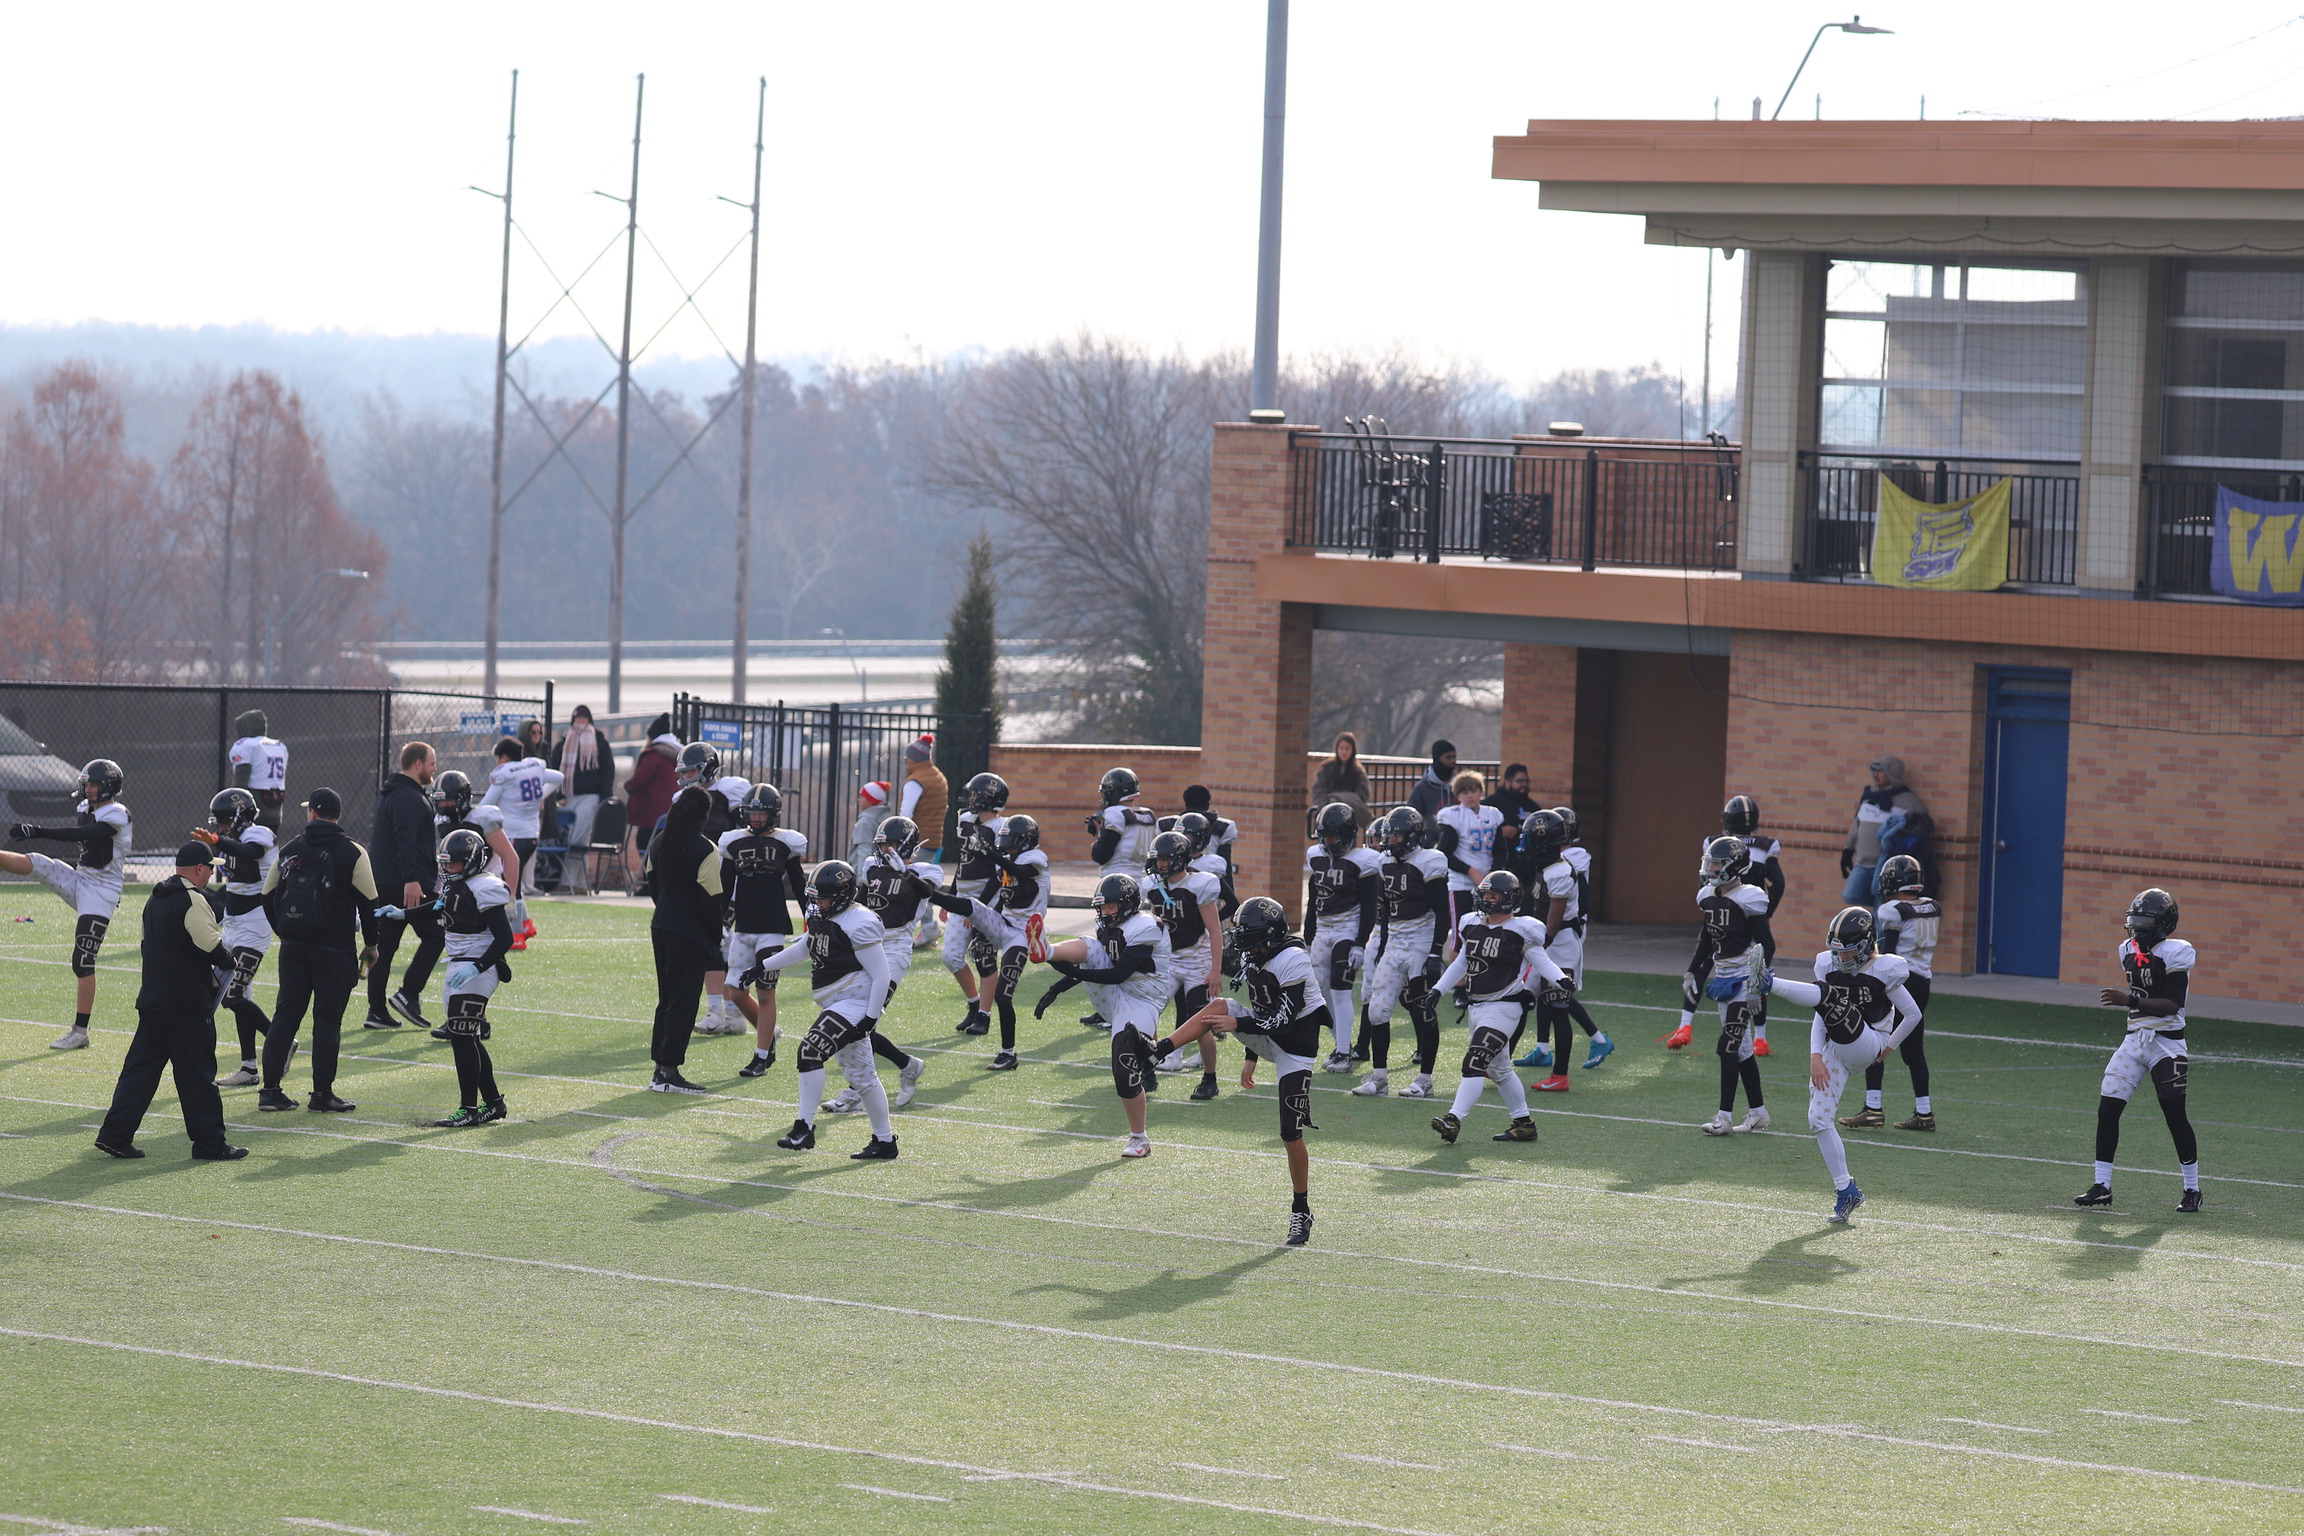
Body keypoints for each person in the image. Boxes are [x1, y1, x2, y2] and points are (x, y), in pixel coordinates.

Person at [1147, 898, 1321, 1245]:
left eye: (1250, 936)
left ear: (1269, 936)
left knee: (1290, 1132)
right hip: (1266, 1034)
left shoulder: (1293, 960)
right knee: (1218, 1005)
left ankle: (1301, 1210)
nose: (1242, 943)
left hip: (1296, 1048)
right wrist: (1251, 1055)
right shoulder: (1255, 955)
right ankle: (1158, 1050)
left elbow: (1282, 1019)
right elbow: (1262, 1006)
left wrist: (1238, 1024)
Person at [1758, 906, 1923, 1224]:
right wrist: (1815, 1055)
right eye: (1837, 951)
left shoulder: (1884, 969)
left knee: (1829, 997)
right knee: (1818, 1118)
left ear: (1863, 947)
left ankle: (1770, 984)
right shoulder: (1827, 965)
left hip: (1868, 1043)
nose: (1840, 958)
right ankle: (1846, 1189)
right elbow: (1822, 1013)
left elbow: (1913, 1014)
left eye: (1847, 952)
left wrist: (1889, 1046)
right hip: (1836, 1047)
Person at [90, 839, 246, 1162]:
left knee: (138, 1073)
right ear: (200, 869)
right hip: (187, 1005)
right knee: (197, 1076)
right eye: (208, 870)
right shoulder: (193, 900)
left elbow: (147, 946)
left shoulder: (154, 900)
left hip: (152, 1001)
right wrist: (230, 961)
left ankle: (115, 1136)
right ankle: (210, 1143)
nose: (209, 877)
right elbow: (211, 946)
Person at [761, 862, 900, 1160]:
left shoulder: (858, 922)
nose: (817, 903)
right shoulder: (823, 915)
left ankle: (804, 1127)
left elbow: (881, 975)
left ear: (841, 895)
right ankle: (885, 1141)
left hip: (854, 1000)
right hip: (838, 1002)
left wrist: (871, 1017)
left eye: (822, 897)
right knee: (862, 1076)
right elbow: (805, 947)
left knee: (810, 1051)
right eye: (815, 897)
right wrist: (761, 966)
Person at [2075, 889, 2202, 1213]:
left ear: (2163, 924)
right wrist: (2131, 1003)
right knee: (2107, 1110)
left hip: (2166, 1043)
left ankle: (2192, 1189)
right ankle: (2102, 1185)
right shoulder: (2126, 949)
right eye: (2136, 920)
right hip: (2134, 1040)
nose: (2138, 927)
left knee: (2174, 1116)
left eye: (2145, 921)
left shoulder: (2177, 951)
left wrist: (2129, 1000)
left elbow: (2172, 1004)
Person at [257, 788, 380, 1114]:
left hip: (294, 946)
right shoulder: (353, 851)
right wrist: (371, 945)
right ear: (337, 814)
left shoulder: (290, 848)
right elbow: (370, 904)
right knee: (327, 1022)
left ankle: (269, 1091)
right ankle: (322, 1094)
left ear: (311, 813)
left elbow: (267, 894)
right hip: (335, 949)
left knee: (285, 1016)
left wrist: (283, 930)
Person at [2, 758, 134, 1050]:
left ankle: (80, 1031)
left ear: (108, 787)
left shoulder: (118, 814)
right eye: (86, 784)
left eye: (93, 784)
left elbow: (82, 835)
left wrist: (38, 830)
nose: (87, 789)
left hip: (102, 891)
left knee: (83, 959)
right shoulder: (88, 807)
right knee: (36, 862)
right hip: (81, 879)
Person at [1037, 873, 1170, 1158]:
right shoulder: (1110, 929)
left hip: (1142, 1000)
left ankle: (1139, 1139)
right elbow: (1100, 964)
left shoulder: (1146, 925)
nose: (1105, 913)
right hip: (1114, 995)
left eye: (1110, 907)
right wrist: (1057, 987)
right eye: (1102, 907)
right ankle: (1046, 950)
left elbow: (1119, 973)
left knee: (1124, 1071)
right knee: (1091, 944)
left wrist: (1073, 974)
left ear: (1128, 904)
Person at [1428, 869, 1559, 1147]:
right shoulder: (1471, 924)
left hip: (1504, 1007)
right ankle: (1524, 1124)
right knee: (1500, 1070)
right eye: (1484, 894)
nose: (1486, 899)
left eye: (1493, 895)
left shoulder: (1521, 929)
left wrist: (1561, 980)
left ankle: (1453, 1119)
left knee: (1475, 1061)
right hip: (1477, 1008)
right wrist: (1437, 990)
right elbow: (1461, 963)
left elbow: (1542, 961)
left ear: (1508, 899)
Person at [922, 814, 1048, 1070]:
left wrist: (991, 855)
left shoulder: (1035, 859)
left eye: (1010, 841)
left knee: (1003, 994)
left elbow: (1021, 872)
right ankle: (925, 892)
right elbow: (1003, 892)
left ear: (1024, 841)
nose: (1006, 845)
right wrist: (985, 919)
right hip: (1005, 924)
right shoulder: (1009, 860)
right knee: (970, 906)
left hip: (1025, 933)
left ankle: (1008, 1053)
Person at [840, 813, 936, 1110]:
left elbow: (928, 892)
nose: (885, 852)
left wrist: (905, 874)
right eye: (882, 845)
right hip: (867, 944)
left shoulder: (925, 870)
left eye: (891, 845)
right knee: (850, 1018)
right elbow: (861, 901)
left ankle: (856, 1090)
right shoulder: (872, 866)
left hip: (895, 948)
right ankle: (905, 1065)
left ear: (906, 845)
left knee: (863, 1020)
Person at [1679, 835, 1773, 1137]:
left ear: (1733, 865)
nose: (1711, 868)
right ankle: (1758, 1113)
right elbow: (1707, 938)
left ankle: (1724, 1117)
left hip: (1745, 977)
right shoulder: (1707, 896)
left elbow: (1767, 945)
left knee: (1728, 1046)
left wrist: (1757, 984)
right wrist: (1692, 971)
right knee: (1742, 1050)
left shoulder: (1749, 897)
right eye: (1710, 862)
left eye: (1717, 863)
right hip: (1723, 977)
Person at [1356, 805, 1451, 1096]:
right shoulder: (1384, 864)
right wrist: (1382, 945)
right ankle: (1379, 1078)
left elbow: (1442, 912)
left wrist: (1436, 952)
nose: (1389, 842)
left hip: (1420, 942)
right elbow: (1384, 911)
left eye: (1395, 836)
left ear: (1412, 836)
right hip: (1395, 942)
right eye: (1388, 836)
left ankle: (1425, 1080)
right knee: (1376, 1011)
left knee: (1424, 1011)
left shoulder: (1430, 861)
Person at [425, 828, 515, 1128]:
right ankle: (493, 1103)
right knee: (468, 1038)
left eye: (454, 864)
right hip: (457, 966)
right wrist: (401, 914)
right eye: (446, 863)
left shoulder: (484, 886)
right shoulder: (458, 886)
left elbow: (504, 938)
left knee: (461, 1037)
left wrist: (477, 968)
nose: (448, 869)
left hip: (477, 968)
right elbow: (435, 910)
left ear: (473, 861)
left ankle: (468, 1108)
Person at [1515, 810, 1611, 1091]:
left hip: (1559, 946)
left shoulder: (1560, 872)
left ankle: (1560, 1077)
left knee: (1557, 1006)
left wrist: (1526, 950)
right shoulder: (1546, 869)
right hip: (1544, 944)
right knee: (1519, 1001)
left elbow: (1553, 925)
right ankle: (1499, 1063)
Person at [1844, 853, 1938, 1131]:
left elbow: (1889, 953)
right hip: (1922, 981)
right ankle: (1924, 1112)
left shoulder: (1892, 910)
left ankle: (1873, 1108)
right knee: (1914, 1050)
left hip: (1897, 981)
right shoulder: (1932, 906)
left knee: (1876, 1040)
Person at [719, 783, 807, 1077]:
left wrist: (813, 918)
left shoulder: (787, 842)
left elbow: (799, 884)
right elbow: (724, 886)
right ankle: (768, 1038)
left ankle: (761, 1055)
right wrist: (719, 920)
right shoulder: (733, 842)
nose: (756, 819)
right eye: (752, 814)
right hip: (743, 926)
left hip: (771, 927)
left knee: (765, 991)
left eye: (761, 814)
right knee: (733, 991)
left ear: (774, 815)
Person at [194, 788, 277, 1088]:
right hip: (232, 923)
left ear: (241, 817)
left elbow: (250, 854)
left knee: (233, 996)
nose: (220, 827)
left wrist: (217, 841)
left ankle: (280, 1039)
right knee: (227, 994)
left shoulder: (259, 834)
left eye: (225, 821)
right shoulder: (230, 839)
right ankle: (249, 1068)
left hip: (255, 924)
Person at [645, 785, 723, 1094]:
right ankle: (668, 1072)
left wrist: (668, 911)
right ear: (704, 815)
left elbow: (653, 886)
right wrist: (713, 939)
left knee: (667, 999)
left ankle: (659, 1069)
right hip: (689, 933)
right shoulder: (706, 849)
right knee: (684, 1001)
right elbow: (711, 902)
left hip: (661, 926)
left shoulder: (658, 842)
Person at [1143, 828, 1225, 1101]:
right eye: (1157, 860)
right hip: (1169, 960)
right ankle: (1149, 1068)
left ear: (1178, 859)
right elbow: (1157, 926)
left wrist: (1215, 970)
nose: (1159, 865)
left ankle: (1210, 1079)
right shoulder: (1154, 888)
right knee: (1148, 1013)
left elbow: (1215, 931)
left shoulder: (1198, 885)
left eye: (1164, 860)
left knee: (1200, 1022)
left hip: (1197, 961)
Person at [1306, 803, 1384, 1090]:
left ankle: (1342, 1052)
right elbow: (1312, 902)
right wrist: (1308, 937)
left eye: (1332, 837)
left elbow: (1368, 905)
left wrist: (1360, 943)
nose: (1327, 842)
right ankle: (1343, 1044)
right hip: (1323, 928)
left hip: (1347, 928)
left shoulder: (1364, 860)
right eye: (1323, 836)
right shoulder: (1315, 855)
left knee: (1340, 989)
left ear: (1349, 834)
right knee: (1320, 991)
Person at [367, 742, 443, 1032]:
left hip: (388, 882)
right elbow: (405, 840)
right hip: (405, 885)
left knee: (383, 947)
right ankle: (408, 994)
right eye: (432, 762)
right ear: (418, 764)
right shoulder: (408, 798)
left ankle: (376, 1011)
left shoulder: (393, 793)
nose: (435, 768)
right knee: (436, 935)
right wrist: (412, 880)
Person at [940, 772, 1010, 1034]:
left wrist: (978, 908)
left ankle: (984, 1015)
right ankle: (973, 1003)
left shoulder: (1000, 828)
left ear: (989, 798)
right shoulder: (967, 821)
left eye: (975, 795)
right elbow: (963, 863)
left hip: (987, 901)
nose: (970, 799)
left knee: (984, 958)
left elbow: (998, 875)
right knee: (950, 955)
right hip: (963, 898)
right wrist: (951, 896)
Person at [1716, 795, 1785, 1056]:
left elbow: (1708, 884)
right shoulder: (1766, 844)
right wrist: (1768, 912)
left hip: (1728, 918)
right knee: (1759, 967)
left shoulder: (1716, 842)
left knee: (1721, 965)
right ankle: (1760, 1038)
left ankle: (1685, 1024)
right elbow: (1777, 882)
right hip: (1754, 915)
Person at [482, 736, 564, 948]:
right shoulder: (532, 767)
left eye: (498, 759)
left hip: (514, 835)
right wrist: (538, 796)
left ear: (505, 757)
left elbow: (486, 805)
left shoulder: (506, 774)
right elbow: (558, 777)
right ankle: (525, 925)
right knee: (514, 882)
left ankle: (515, 935)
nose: (496, 764)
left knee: (510, 885)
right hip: (530, 834)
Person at [1840, 756, 1927, 907]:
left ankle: (1885, 913)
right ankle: (1884, 906)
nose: (1875, 775)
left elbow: (1919, 831)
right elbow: (1856, 827)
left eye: (1880, 771)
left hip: (1887, 865)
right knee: (1850, 895)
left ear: (1892, 773)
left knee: (1881, 903)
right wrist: (1848, 850)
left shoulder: (1908, 801)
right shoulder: (1869, 797)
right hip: (1862, 862)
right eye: (1874, 771)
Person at [549, 705, 616, 895]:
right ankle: (578, 884)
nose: (580, 723)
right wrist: (559, 796)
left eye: (583, 719)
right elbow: (554, 769)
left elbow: (607, 771)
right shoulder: (564, 743)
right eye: (577, 719)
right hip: (568, 797)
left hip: (590, 797)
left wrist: (603, 798)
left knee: (577, 840)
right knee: (574, 840)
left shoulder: (599, 742)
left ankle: (568, 882)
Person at [1433, 770, 1504, 931]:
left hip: (1487, 882)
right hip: (1461, 883)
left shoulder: (1492, 814)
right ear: (1458, 796)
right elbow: (1445, 854)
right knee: (1461, 933)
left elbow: (1500, 850)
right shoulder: (1454, 816)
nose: (1470, 796)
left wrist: (1493, 873)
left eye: (1473, 791)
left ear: (1481, 791)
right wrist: (1471, 871)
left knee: (1487, 929)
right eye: (1465, 793)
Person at [622, 715, 678, 886]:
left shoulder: (654, 755)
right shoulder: (675, 754)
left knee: (644, 845)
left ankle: (650, 881)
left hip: (650, 812)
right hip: (668, 810)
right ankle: (661, 880)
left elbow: (640, 778)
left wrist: (627, 785)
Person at [1087, 766, 1158, 885]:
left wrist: (1099, 837)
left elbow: (1101, 855)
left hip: (1114, 877)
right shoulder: (1148, 814)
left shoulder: (1115, 813)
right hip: (1139, 878)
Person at [226, 709, 289, 830]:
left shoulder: (246, 745)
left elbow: (240, 780)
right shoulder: (279, 746)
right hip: (276, 805)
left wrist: (235, 805)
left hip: (255, 805)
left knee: (248, 844)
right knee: (270, 844)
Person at [897, 734, 948, 861]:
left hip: (917, 843)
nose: (905, 761)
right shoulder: (938, 776)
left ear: (913, 758)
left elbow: (906, 815)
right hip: (934, 840)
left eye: (906, 757)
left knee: (912, 878)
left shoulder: (915, 782)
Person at [1310, 732, 1372, 832]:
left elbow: (1362, 794)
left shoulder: (1358, 771)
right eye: (1341, 748)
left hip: (1349, 817)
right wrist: (1328, 804)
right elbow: (1318, 792)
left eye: (1347, 749)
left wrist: (1344, 800)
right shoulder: (1326, 768)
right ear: (1337, 749)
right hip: (1328, 816)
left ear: (1353, 750)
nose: (1344, 752)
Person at [1482, 763, 1539, 846]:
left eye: (1526, 781)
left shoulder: (1532, 806)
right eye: (1519, 781)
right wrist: (1500, 832)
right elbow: (1477, 827)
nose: (1524, 784)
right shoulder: (1491, 803)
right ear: (1508, 782)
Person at [1405, 740, 1458, 823]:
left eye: (1454, 757)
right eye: (1448, 757)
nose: (1452, 761)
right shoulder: (1421, 789)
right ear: (1437, 759)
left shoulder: (1459, 786)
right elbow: (1412, 817)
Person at [847, 780, 893, 869]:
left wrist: (861, 879)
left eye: (862, 796)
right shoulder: (887, 819)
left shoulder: (865, 822)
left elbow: (863, 854)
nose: (858, 800)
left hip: (863, 875)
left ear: (871, 800)